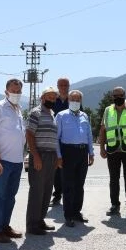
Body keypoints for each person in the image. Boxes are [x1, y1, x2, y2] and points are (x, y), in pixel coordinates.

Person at [0, 78, 27, 243]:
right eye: (13, 91)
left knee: (10, 196)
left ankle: (5, 226)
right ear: (6, 92)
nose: (16, 94)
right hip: (2, 161)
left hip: (17, 161)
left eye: (18, 91)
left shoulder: (19, 109)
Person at [99, 86, 126, 217]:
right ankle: (114, 205)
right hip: (112, 150)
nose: (118, 97)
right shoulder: (107, 110)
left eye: (120, 95)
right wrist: (101, 147)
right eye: (115, 95)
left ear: (124, 95)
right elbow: (103, 130)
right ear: (112, 97)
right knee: (114, 179)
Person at [55, 89, 95, 226]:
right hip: (68, 152)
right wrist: (59, 156)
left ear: (81, 101)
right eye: (73, 99)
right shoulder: (61, 115)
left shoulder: (85, 115)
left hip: (83, 153)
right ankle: (68, 215)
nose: (75, 102)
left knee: (80, 185)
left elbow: (89, 135)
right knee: (68, 185)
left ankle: (77, 213)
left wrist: (91, 153)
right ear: (68, 101)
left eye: (78, 100)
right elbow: (56, 138)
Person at [25, 86, 60, 235]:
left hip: (51, 156)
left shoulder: (52, 114)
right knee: (37, 191)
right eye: (49, 97)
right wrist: (36, 156)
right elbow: (29, 134)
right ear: (42, 98)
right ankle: (32, 225)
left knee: (47, 190)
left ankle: (40, 220)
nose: (52, 99)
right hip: (40, 155)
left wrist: (57, 157)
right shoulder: (36, 112)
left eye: (54, 97)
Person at [51, 77, 71, 205]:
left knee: (69, 168)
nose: (63, 87)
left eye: (66, 85)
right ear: (57, 86)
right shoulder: (53, 100)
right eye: (61, 85)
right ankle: (57, 195)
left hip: (69, 140)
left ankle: (69, 195)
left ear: (69, 86)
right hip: (55, 139)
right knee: (56, 169)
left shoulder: (74, 100)